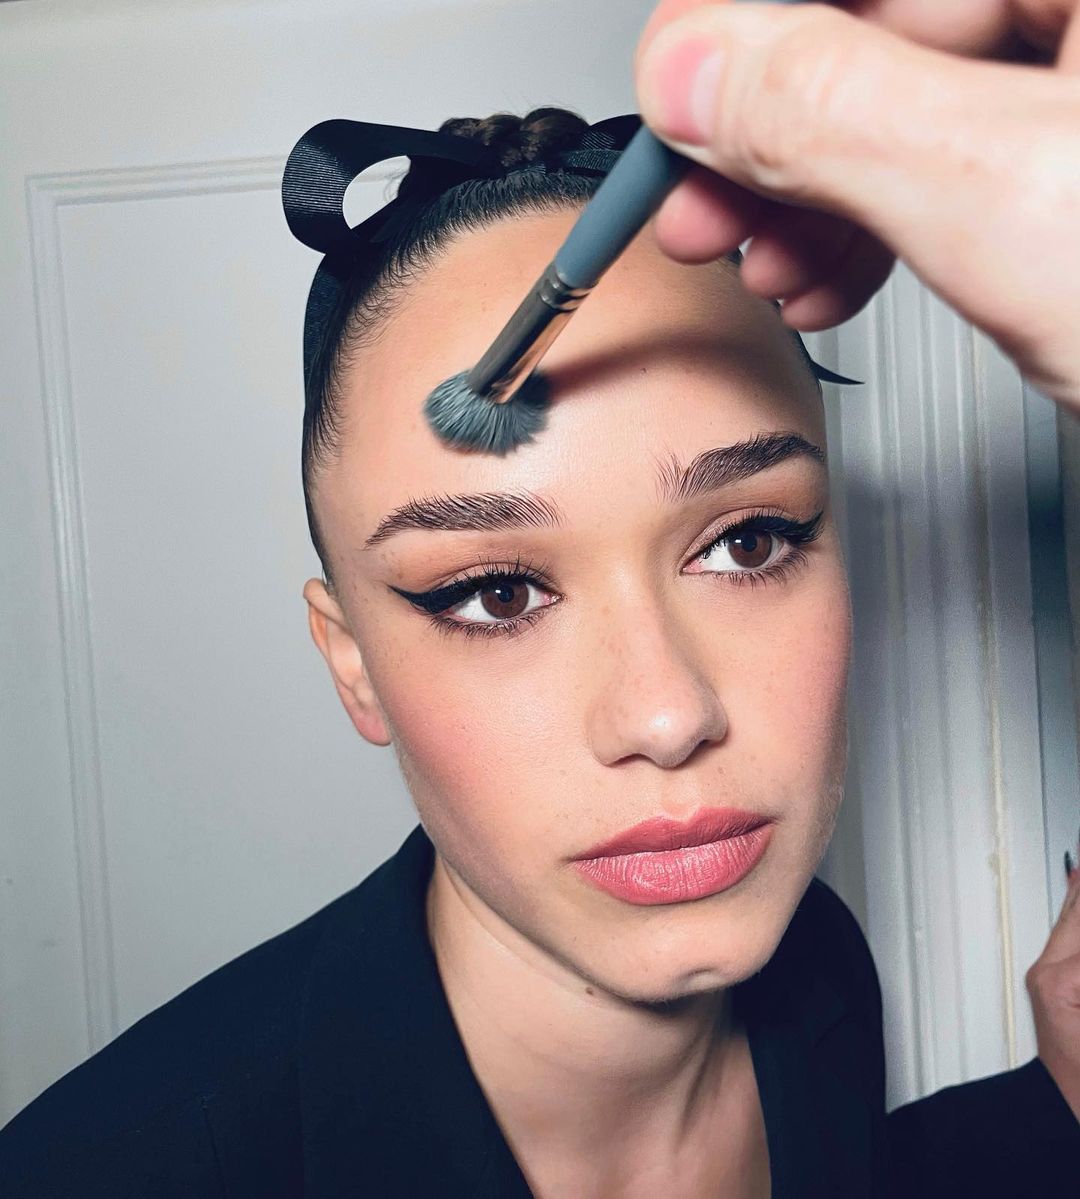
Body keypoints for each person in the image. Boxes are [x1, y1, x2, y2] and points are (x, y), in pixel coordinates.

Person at [1, 16, 1078, 1198]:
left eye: (747, 541)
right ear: (352, 661)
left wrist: (1056, 1104)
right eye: (498, 591)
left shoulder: (811, 964)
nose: (667, 715)